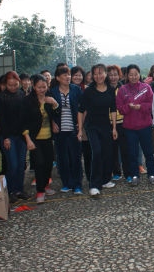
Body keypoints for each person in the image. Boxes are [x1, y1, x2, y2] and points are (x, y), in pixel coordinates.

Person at [78, 64, 118, 195]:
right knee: (97, 152)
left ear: (105, 74)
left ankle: (105, 180)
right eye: (95, 74)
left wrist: (114, 128)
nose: (98, 76)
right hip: (92, 126)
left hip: (106, 126)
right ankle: (94, 184)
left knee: (107, 153)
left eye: (100, 73)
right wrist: (80, 130)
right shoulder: (89, 91)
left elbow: (113, 109)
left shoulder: (110, 90)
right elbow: (81, 110)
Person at [116, 64, 154, 185]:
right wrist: (128, 107)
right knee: (132, 153)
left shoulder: (146, 87)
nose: (133, 77)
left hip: (145, 126)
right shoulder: (122, 90)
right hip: (130, 128)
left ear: (139, 74)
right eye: (131, 75)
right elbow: (120, 108)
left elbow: (152, 104)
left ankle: (151, 174)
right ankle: (134, 175)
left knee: (148, 152)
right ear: (127, 76)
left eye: (136, 74)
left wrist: (141, 107)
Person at [23, 74, 58, 203]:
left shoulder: (49, 98)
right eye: (39, 87)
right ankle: (40, 191)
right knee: (39, 163)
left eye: (44, 87)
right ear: (34, 86)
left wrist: (55, 104)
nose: (42, 90)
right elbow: (23, 121)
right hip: (34, 138)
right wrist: (28, 139)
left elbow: (56, 115)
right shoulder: (28, 101)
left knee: (49, 162)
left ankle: (46, 185)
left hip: (48, 137)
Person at [0, 71, 28, 202]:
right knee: (12, 164)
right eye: (10, 85)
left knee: (21, 164)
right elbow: (2, 119)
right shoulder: (1, 97)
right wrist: (6, 137)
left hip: (21, 135)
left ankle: (19, 189)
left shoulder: (22, 95)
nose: (13, 87)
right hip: (8, 136)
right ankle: (10, 190)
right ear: (5, 84)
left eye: (15, 85)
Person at [50, 65, 84, 194]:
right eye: (64, 75)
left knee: (75, 158)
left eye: (69, 74)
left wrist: (80, 125)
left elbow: (83, 108)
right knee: (62, 158)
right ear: (58, 78)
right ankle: (66, 183)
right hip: (60, 131)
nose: (68, 77)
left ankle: (77, 184)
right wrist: (53, 123)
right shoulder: (53, 92)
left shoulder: (76, 90)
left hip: (74, 128)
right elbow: (49, 111)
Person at [107, 65, 129, 181]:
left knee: (125, 149)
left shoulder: (123, 88)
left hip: (123, 122)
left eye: (115, 74)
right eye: (110, 75)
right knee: (112, 149)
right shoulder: (104, 88)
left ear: (119, 75)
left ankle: (128, 173)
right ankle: (116, 172)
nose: (113, 77)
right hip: (109, 123)